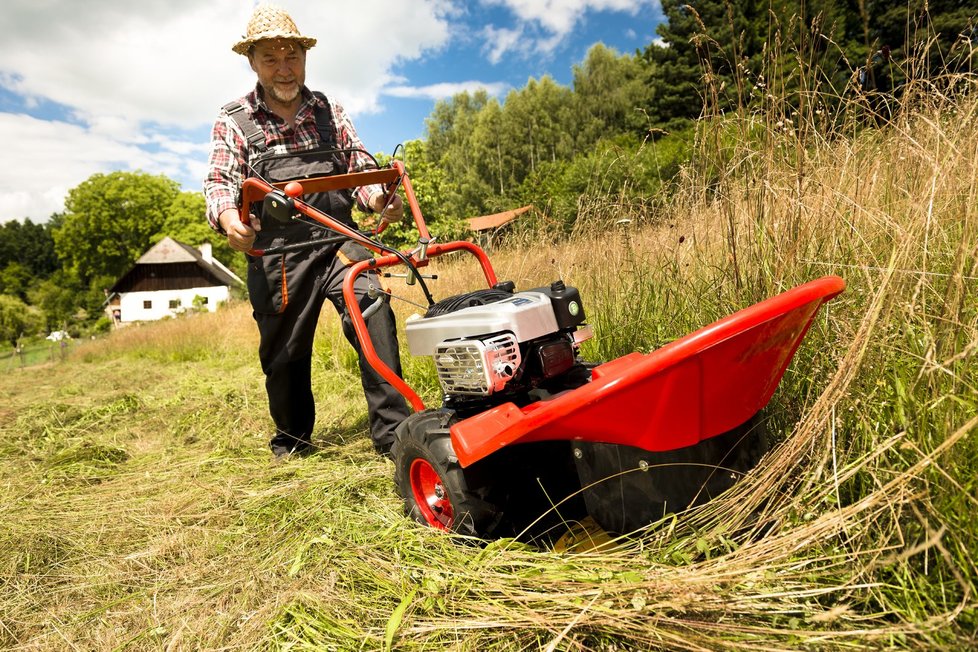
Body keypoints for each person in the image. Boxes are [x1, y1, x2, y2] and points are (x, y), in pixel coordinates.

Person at [203, 4, 409, 459]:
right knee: (285, 356)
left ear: (304, 56)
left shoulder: (329, 112)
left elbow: (357, 170)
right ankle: (293, 442)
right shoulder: (235, 120)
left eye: (292, 55)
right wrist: (229, 220)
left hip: (339, 241)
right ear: (252, 62)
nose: (284, 68)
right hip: (279, 257)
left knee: (374, 316)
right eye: (271, 58)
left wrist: (378, 200)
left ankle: (395, 436)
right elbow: (219, 183)